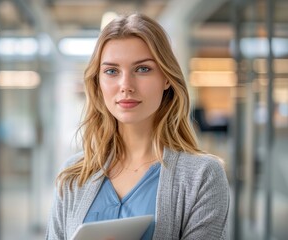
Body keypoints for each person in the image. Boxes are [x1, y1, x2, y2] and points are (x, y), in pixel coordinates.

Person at [46, 13, 230, 240]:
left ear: (166, 78)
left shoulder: (202, 176)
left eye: (142, 69)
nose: (126, 85)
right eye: (112, 71)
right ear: (98, 82)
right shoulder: (73, 176)